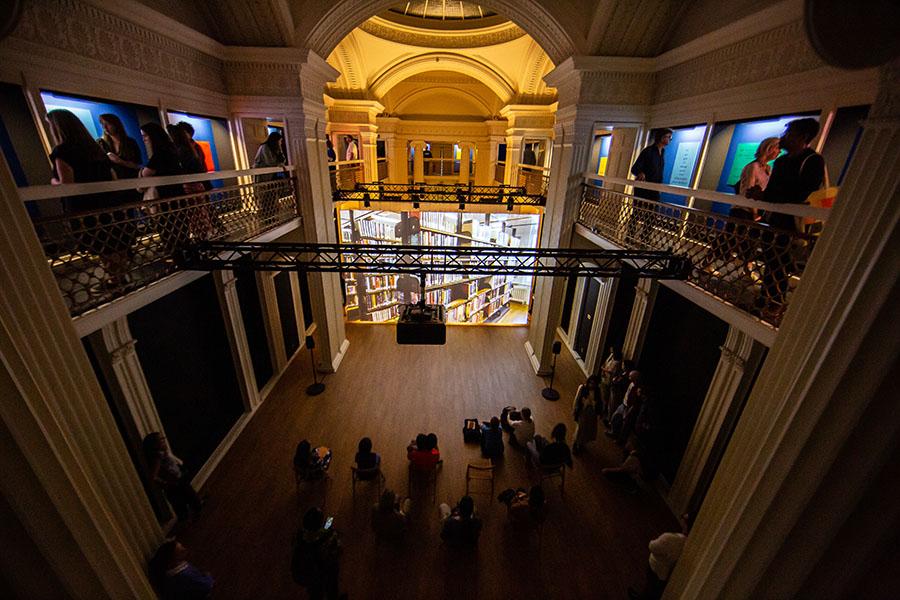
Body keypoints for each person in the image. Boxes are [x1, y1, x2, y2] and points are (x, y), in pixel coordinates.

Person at [746, 118, 825, 313]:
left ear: (803, 136)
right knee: (772, 260)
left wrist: (770, 196)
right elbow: (774, 192)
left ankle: (774, 301)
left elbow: (804, 192)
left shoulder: (813, 161)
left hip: (792, 224)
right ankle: (768, 298)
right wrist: (762, 196)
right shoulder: (781, 161)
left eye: (789, 133)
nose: (784, 138)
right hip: (774, 219)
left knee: (780, 262)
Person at [628, 513, 692, 600]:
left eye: (684, 518)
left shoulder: (670, 538)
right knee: (651, 589)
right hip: (664, 572)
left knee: (649, 586)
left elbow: (653, 546)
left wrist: (651, 541)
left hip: (656, 566)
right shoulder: (688, 544)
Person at [142, 432, 203, 522]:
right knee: (182, 501)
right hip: (175, 483)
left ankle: (195, 508)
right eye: (161, 440)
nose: (164, 441)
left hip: (179, 478)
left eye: (163, 438)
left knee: (189, 495)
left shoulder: (163, 453)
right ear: (154, 445)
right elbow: (153, 476)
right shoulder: (158, 458)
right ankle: (188, 517)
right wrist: (165, 483)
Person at [629, 128, 673, 243]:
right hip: (643, 189)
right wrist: (640, 172)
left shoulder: (662, 152)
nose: (669, 140)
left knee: (651, 214)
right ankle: (630, 235)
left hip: (654, 189)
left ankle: (645, 237)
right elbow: (634, 168)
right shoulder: (648, 151)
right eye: (668, 137)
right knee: (637, 212)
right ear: (661, 137)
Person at [292, 507, 343, 600]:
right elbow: (335, 552)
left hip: (304, 574)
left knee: (316, 593)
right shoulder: (324, 539)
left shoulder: (300, 536)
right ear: (319, 525)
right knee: (332, 573)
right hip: (319, 573)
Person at [148, 539, 214, 600]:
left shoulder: (178, 569)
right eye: (181, 551)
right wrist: (208, 577)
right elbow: (206, 585)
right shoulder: (182, 575)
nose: (185, 549)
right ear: (173, 558)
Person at [98, 113, 142, 180]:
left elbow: (137, 166)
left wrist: (120, 161)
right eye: (102, 124)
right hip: (112, 184)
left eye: (108, 123)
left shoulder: (130, 142)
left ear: (116, 124)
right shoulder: (101, 143)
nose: (104, 127)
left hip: (132, 180)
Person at [572, 376, 600, 453]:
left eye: (593, 384)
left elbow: (599, 402)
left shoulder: (597, 391)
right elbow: (577, 399)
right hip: (582, 411)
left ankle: (582, 444)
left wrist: (594, 404)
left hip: (591, 414)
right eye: (590, 383)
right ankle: (575, 444)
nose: (591, 385)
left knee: (587, 429)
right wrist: (574, 410)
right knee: (580, 429)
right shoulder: (582, 388)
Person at [599, 347, 623, 420]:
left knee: (605, 397)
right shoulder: (612, 357)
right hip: (605, 378)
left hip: (608, 380)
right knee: (604, 395)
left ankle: (604, 412)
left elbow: (611, 371)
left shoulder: (617, 363)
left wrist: (603, 369)